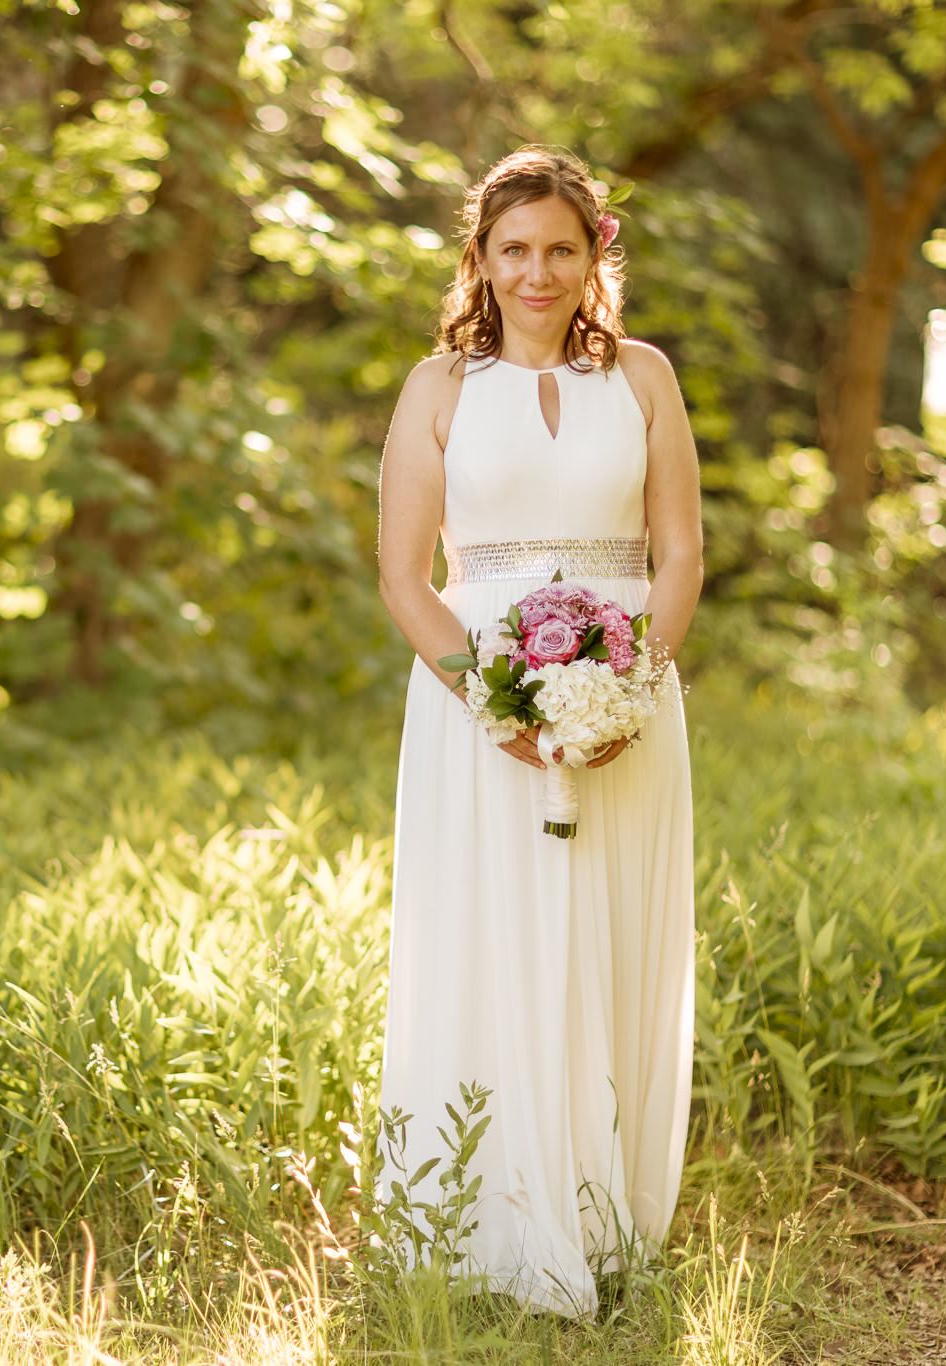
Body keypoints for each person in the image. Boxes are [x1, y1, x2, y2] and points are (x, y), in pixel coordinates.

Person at [373, 145, 703, 1317]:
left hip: (625, 704)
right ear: (480, 257)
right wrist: (495, 704)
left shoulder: (647, 380)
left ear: (593, 252)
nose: (536, 270)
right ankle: (486, 1229)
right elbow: (405, 579)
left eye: (559, 247)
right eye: (513, 248)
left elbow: (679, 558)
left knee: (608, 939)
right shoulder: (437, 389)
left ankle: (605, 1223)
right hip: (476, 714)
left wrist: (625, 689)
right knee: (489, 935)